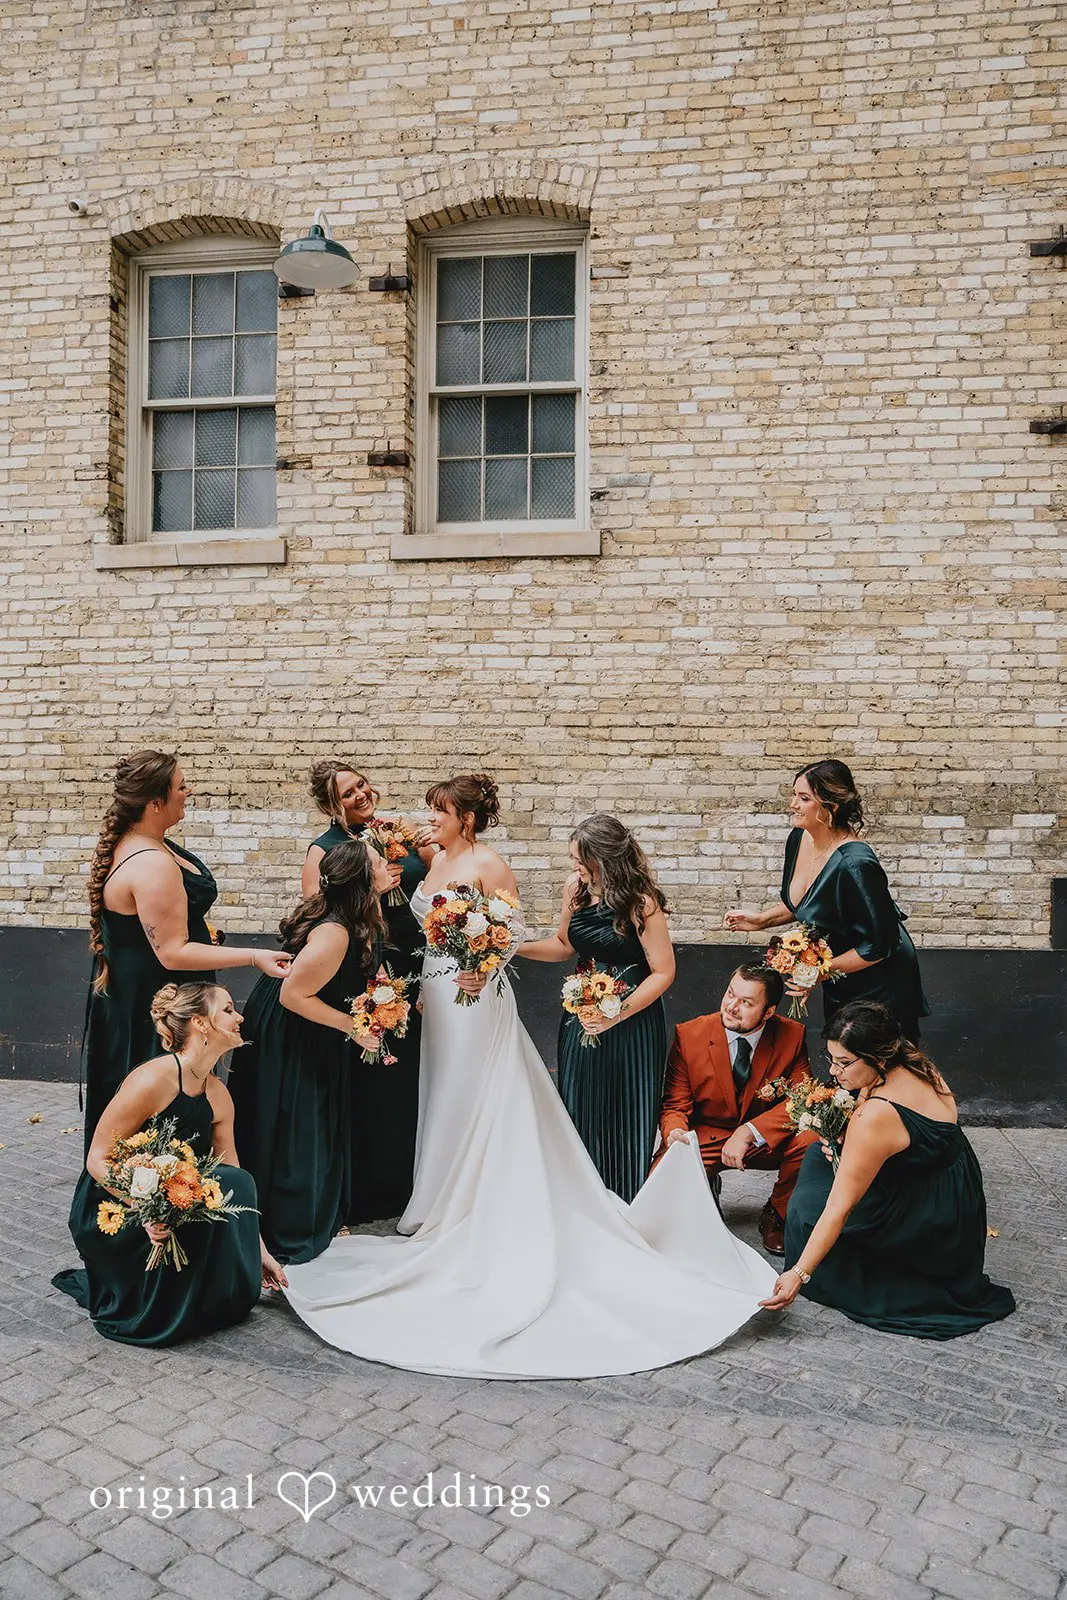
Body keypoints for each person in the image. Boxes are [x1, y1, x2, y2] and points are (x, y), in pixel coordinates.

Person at [281, 774, 777, 1380]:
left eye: (440, 812)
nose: (429, 819)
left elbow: (507, 933)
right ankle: (436, 1197)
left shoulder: (494, 865)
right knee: (440, 1095)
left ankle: (484, 1198)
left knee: (477, 1093)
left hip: (476, 993)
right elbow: (543, 941)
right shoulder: (432, 857)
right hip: (436, 991)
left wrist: (487, 963)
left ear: (466, 818)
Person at [761, 1002, 1015, 1338]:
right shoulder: (913, 1060)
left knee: (808, 1209)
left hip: (920, 1218)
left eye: (844, 1062)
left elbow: (840, 1208)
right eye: (831, 1058)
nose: (834, 1072)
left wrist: (799, 1274)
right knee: (816, 1159)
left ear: (876, 1058)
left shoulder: (876, 1116)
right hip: (954, 1192)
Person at [53, 983, 287, 1346]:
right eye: (227, 1009)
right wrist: (145, 1209)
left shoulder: (218, 1094)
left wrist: (260, 1252)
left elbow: (235, 1179)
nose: (240, 1017)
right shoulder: (153, 1079)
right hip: (117, 1203)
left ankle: (197, 1287)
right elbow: (97, 1159)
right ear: (200, 1023)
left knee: (236, 1180)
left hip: (174, 1198)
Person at [83, 751, 291, 1152]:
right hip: (157, 999)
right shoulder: (151, 863)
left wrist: (201, 931)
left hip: (149, 989)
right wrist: (254, 957)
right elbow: (172, 952)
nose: (188, 791)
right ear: (155, 801)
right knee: (156, 1102)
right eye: (181, 785)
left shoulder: (145, 842)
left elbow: (156, 929)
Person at [229, 840, 392, 1263]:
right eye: (378, 863)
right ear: (362, 879)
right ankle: (292, 1220)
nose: (386, 865)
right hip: (293, 1025)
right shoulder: (334, 933)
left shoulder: (358, 915)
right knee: (299, 1115)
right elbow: (293, 995)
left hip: (308, 1018)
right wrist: (351, 1026)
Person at [301, 758, 435, 1221]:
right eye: (347, 793)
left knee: (414, 1070)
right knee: (377, 1074)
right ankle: (373, 1185)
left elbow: (439, 876)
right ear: (330, 805)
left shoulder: (395, 828)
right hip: (370, 969)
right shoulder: (324, 849)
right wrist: (376, 892)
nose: (361, 795)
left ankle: (413, 1177)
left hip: (420, 959)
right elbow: (322, 915)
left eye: (362, 785)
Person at [517, 814, 675, 1202]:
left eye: (579, 860)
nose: (574, 867)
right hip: (580, 1012)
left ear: (602, 860)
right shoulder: (576, 888)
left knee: (625, 1109)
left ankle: (624, 1201)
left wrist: (616, 1013)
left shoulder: (642, 903)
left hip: (632, 1019)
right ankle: (581, 1201)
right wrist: (512, 948)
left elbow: (663, 971)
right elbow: (563, 945)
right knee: (579, 1101)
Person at [724, 760, 928, 1041]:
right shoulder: (799, 838)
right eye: (794, 794)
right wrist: (763, 920)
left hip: (879, 980)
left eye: (804, 798)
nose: (793, 804)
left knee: (874, 1064)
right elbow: (813, 903)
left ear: (830, 808)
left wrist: (816, 973)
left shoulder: (856, 863)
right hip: (840, 973)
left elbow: (881, 945)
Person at [654, 963, 815, 1254]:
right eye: (730, 994)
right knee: (658, 1199)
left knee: (811, 1140)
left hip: (764, 1140)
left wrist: (749, 1132)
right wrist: (675, 1130)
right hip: (708, 1135)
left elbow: (802, 1100)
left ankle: (777, 1214)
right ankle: (705, 1183)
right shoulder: (689, 1034)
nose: (731, 1006)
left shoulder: (792, 1036)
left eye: (746, 1002)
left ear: (769, 1012)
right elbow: (676, 1102)